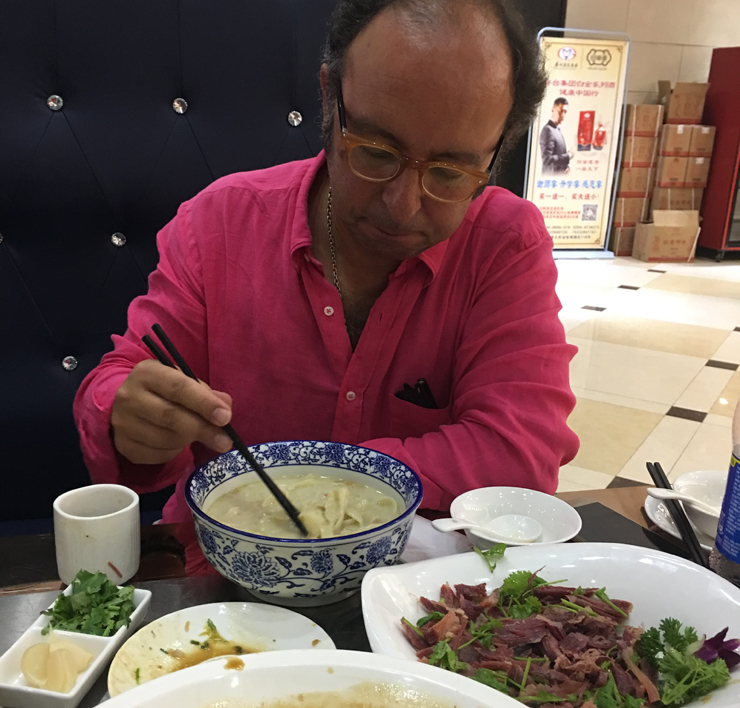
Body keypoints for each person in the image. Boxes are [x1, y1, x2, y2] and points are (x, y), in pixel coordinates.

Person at [74, 0, 579, 575]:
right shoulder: (218, 225)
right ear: (328, 96)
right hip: (222, 587)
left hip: (415, 595)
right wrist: (129, 414)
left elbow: (522, 451)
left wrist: (318, 485)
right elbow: (121, 381)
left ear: (497, 149)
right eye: (376, 153)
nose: (403, 205)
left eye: (449, 173)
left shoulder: (503, 244)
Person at [539, 97, 573, 173]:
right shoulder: (548, 130)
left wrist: (565, 168)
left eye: (565, 112)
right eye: (561, 111)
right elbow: (547, 160)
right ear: (553, 110)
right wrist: (568, 156)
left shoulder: (557, 129)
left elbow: (558, 154)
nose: (563, 115)